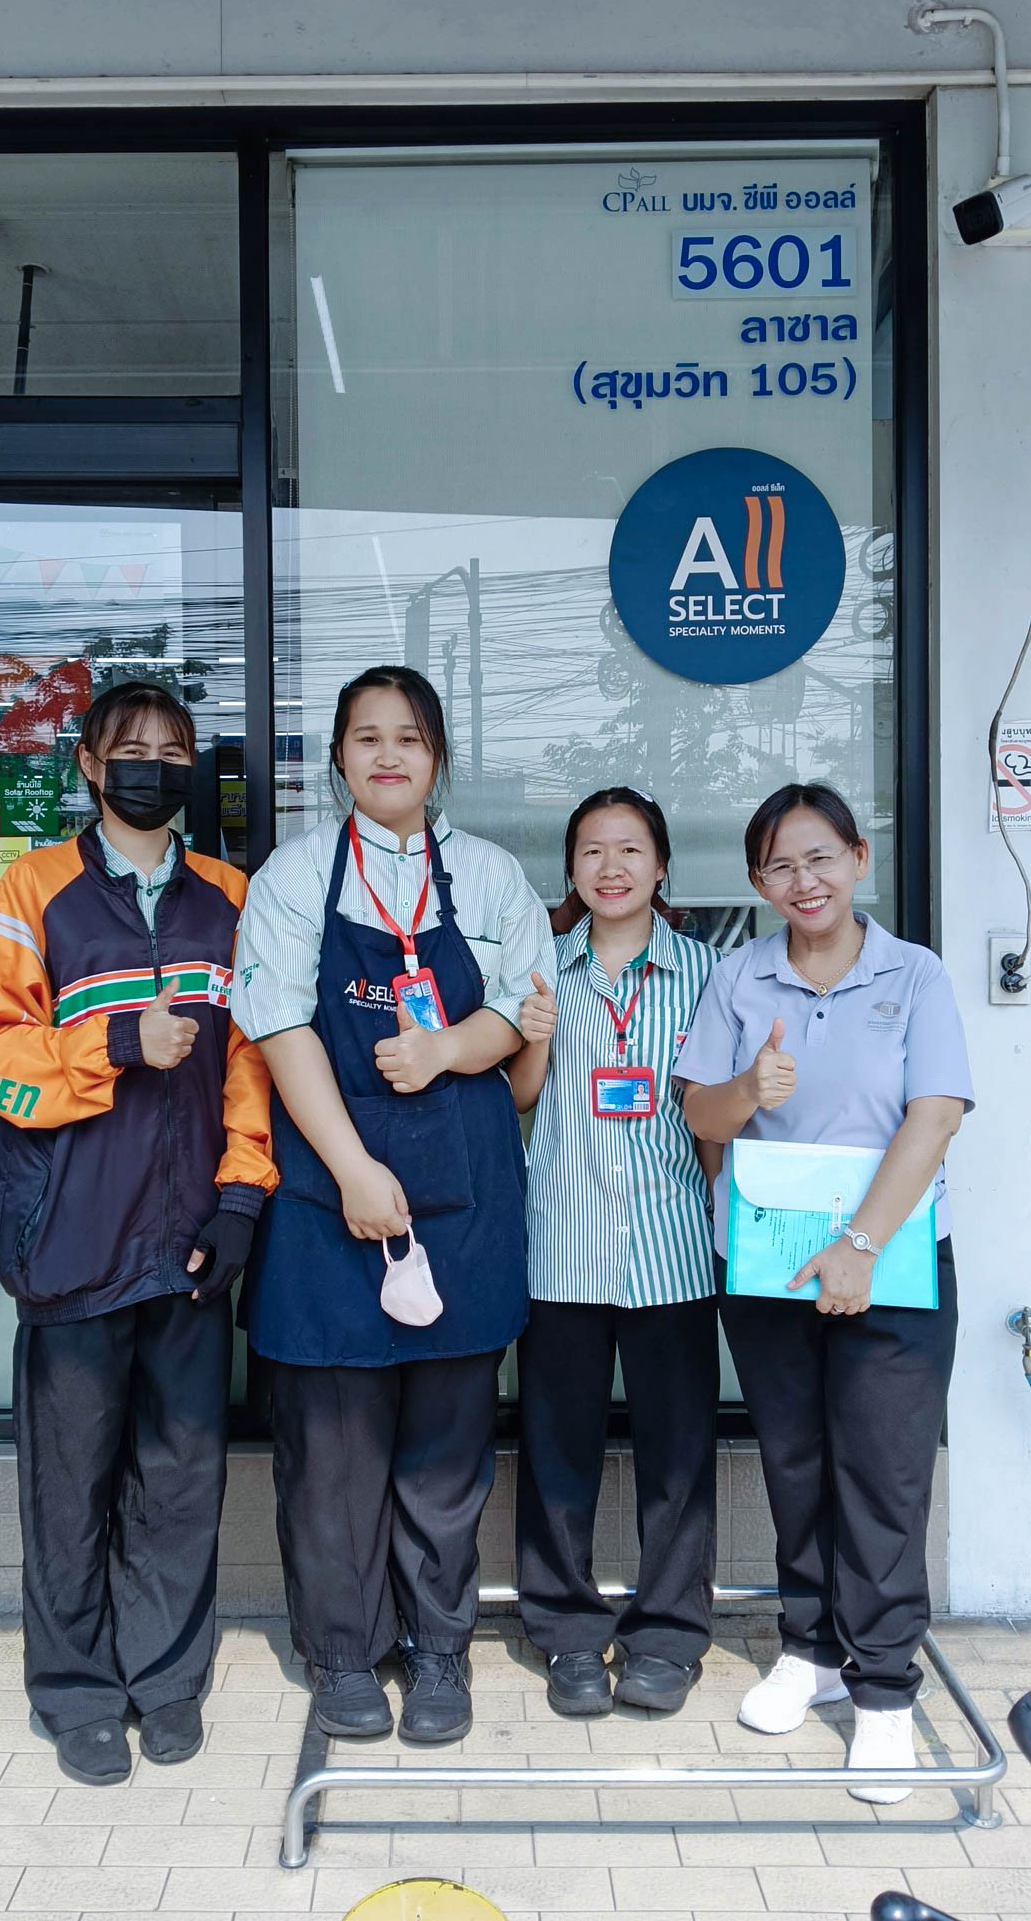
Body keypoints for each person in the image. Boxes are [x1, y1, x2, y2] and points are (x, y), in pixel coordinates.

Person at [0, 681, 277, 1786]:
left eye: (172, 751)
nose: (152, 766)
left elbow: (252, 1064)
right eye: (131, 749)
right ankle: (77, 1689)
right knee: (71, 1483)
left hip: (188, 1241)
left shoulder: (229, 896)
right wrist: (116, 1045)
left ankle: (167, 1680)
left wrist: (241, 1198)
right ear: (89, 765)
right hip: (73, 1239)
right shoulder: (32, 889)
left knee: (180, 1477)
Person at [231, 665, 554, 1746]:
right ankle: (342, 1655)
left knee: (446, 1454)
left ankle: (438, 1649)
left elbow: (520, 1004)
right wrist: (355, 1169)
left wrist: (447, 1047)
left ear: (437, 756)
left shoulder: (490, 875)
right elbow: (281, 1028)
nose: (387, 755)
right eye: (366, 736)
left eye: (408, 737)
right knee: (333, 1453)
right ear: (337, 757)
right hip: (330, 1200)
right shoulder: (294, 876)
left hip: (464, 1202)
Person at [677, 782, 971, 1802]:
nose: (802, 881)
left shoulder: (915, 974)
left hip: (891, 1264)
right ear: (757, 882)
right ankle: (809, 1647)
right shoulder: (737, 977)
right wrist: (745, 1090)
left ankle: (883, 1690)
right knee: (795, 1465)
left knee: (883, 1478)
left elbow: (935, 1115)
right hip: (768, 1268)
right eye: (778, 866)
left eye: (818, 858)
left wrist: (859, 1243)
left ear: (858, 860)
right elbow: (700, 1118)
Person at [508, 787, 720, 1720]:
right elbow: (518, 1100)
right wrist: (535, 1041)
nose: (610, 866)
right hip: (563, 1244)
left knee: (678, 1455)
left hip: (673, 1246)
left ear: (661, 865)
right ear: (570, 868)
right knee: (558, 1452)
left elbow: (718, 1111)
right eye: (591, 850)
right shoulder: (542, 970)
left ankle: (668, 1636)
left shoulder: (709, 973)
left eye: (630, 848)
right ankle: (564, 1631)